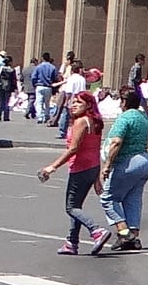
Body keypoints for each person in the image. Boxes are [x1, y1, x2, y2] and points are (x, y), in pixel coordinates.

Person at [39, 84, 108, 255]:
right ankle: (71, 243)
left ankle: (96, 230)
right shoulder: (95, 122)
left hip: (80, 167)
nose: (74, 105)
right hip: (91, 167)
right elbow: (95, 149)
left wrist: (52, 167)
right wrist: (97, 178)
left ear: (88, 105)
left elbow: (73, 149)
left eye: (79, 102)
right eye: (73, 102)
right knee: (76, 206)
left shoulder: (80, 122)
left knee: (71, 207)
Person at [97, 89, 148, 255]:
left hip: (129, 161)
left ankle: (124, 232)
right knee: (133, 199)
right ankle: (134, 236)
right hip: (146, 160)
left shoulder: (124, 117)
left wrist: (107, 165)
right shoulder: (143, 117)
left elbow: (116, 142)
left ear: (124, 101)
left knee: (107, 197)